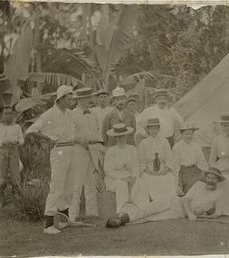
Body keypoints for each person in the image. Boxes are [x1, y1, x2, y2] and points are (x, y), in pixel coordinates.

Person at [105, 167, 225, 227]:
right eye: (209, 177)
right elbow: (185, 199)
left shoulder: (219, 194)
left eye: (213, 178)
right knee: (150, 209)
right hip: (174, 202)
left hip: (179, 213)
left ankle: (123, 222)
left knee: (152, 218)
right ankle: (121, 218)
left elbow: (217, 214)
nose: (210, 180)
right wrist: (191, 214)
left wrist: (201, 216)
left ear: (218, 180)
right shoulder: (199, 185)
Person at [27, 85, 75, 234]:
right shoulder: (50, 114)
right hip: (59, 151)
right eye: (69, 98)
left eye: (72, 98)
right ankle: (48, 225)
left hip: (70, 150)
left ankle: (63, 220)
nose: (71, 101)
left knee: (68, 187)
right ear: (60, 99)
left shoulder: (68, 113)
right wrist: (47, 139)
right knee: (57, 187)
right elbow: (31, 131)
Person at [68, 88, 103, 222]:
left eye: (88, 98)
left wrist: (97, 144)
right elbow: (69, 135)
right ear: (78, 100)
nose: (87, 100)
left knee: (91, 181)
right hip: (79, 151)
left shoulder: (93, 114)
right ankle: (73, 214)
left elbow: (97, 131)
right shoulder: (72, 115)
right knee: (77, 182)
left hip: (92, 150)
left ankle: (92, 212)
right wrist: (79, 140)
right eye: (84, 98)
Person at [104, 123, 150, 214]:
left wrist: (134, 176)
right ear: (115, 138)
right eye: (119, 137)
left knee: (140, 183)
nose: (121, 139)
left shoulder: (132, 149)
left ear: (126, 136)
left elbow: (136, 165)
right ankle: (122, 211)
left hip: (130, 175)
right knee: (122, 185)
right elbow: (108, 170)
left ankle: (142, 209)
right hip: (115, 178)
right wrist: (122, 178)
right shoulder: (111, 151)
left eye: (123, 136)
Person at [138, 118, 177, 201]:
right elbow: (141, 162)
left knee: (169, 178)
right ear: (148, 129)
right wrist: (149, 171)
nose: (153, 131)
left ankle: (170, 202)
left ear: (159, 128)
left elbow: (169, 158)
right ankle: (156, 202)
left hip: (162, 168)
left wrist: (166, 169)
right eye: (151, 128)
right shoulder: (143, 143)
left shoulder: (164, 141)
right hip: (149, 169)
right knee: (150, 180)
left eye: (155, 128)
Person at [0, 106, 24, 206]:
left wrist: (17, 142)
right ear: (2, 115)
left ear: (13, 115)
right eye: (6, 113)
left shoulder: (17, 127)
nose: (8, 116)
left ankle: (18, 200)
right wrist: (3, 142)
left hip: (14, 151)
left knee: (16, 175)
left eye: (10, 113)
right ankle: (0, 200)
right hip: (2, 152)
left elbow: (22, 140)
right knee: (1, 176)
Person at [172, 123, 208, 194]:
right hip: (184, 173)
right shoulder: (177, 147)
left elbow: (201, 161)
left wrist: (205, 171)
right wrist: (176, 183)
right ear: (181, 134)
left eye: (191, 134)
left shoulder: (196, 146)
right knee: (193, 187)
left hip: (195, 171)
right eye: (186, 134)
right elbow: (175, 166)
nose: (189, 136)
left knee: (206, 184)